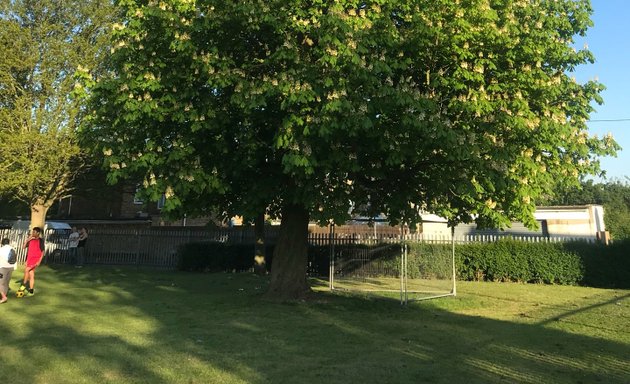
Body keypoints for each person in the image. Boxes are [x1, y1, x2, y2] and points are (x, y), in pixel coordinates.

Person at [18, 227, 45, 297]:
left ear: (38, 233)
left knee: (26, 270)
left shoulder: (40, 240)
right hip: (29, 260)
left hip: (35, 260)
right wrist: (27, 240)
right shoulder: (30, 240)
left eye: (34, 232)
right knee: (31, 275)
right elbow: (23, 247)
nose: (32, 233)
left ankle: (23, 286)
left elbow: (42, 252)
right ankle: (31, 291)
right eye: (32, 232)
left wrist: (39, 261)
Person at [0, 238, 17, 303]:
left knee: (0, 283)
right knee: (6, 282)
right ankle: (4, 295)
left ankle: (4, 297)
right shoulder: (13, 249)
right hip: (11, 267)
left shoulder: (1, 249)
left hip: (3, 268)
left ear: (2, 243)